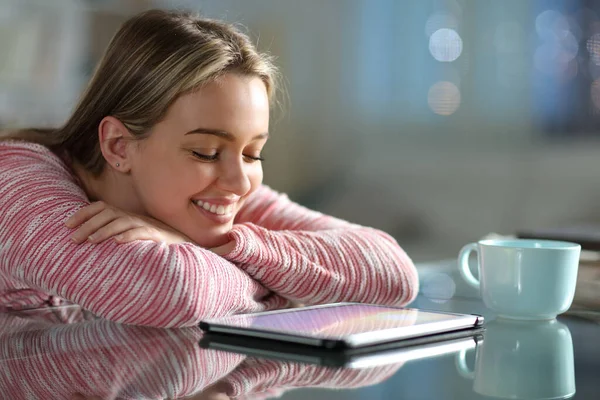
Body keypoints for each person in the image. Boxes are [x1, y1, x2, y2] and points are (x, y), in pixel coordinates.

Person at [0, 9, 418, 327]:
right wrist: (283, 288)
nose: (239, 183)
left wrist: (237, 247)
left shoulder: (216, 203)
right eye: (204, 152)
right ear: (118, 145)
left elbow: (394, 273)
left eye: (254, 154)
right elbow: (167, 291)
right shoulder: (17, 182)